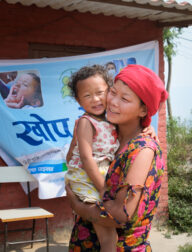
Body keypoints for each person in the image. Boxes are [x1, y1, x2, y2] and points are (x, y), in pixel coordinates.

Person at [66, 64, 168, 252]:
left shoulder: (143, 150)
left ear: (143, 110)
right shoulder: (106, 133)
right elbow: (74, 157)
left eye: (125, 99)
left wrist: (77, 206)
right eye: (112, 92)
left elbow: (121, 215)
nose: (112, 102)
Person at [65, 64, 120, 252]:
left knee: (108, 235)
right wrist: (104, 189)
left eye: (100, 93)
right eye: (87, 96)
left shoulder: (111, 119)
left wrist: (149, 129)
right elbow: (87, 159)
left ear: (109, 91)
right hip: (87, 178)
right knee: (108, 234)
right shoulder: (85, 123)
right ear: (78, 100)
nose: (95, 99)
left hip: (99, 174)